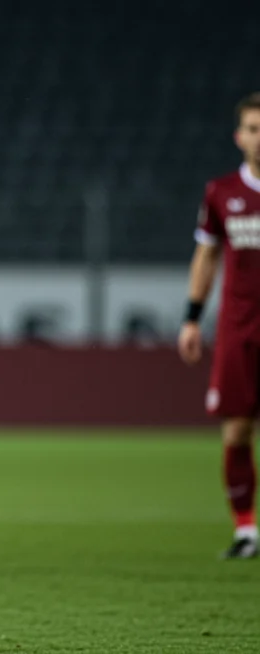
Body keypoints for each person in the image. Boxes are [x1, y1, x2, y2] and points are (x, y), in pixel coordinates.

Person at [179, 92, 260, 560]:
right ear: (238, 137)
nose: (258, 137)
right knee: (237, 431)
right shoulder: (221, 192)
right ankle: (247, 530)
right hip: (240, 328)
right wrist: (192, 318)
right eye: (251, 128)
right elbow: (207, 255)